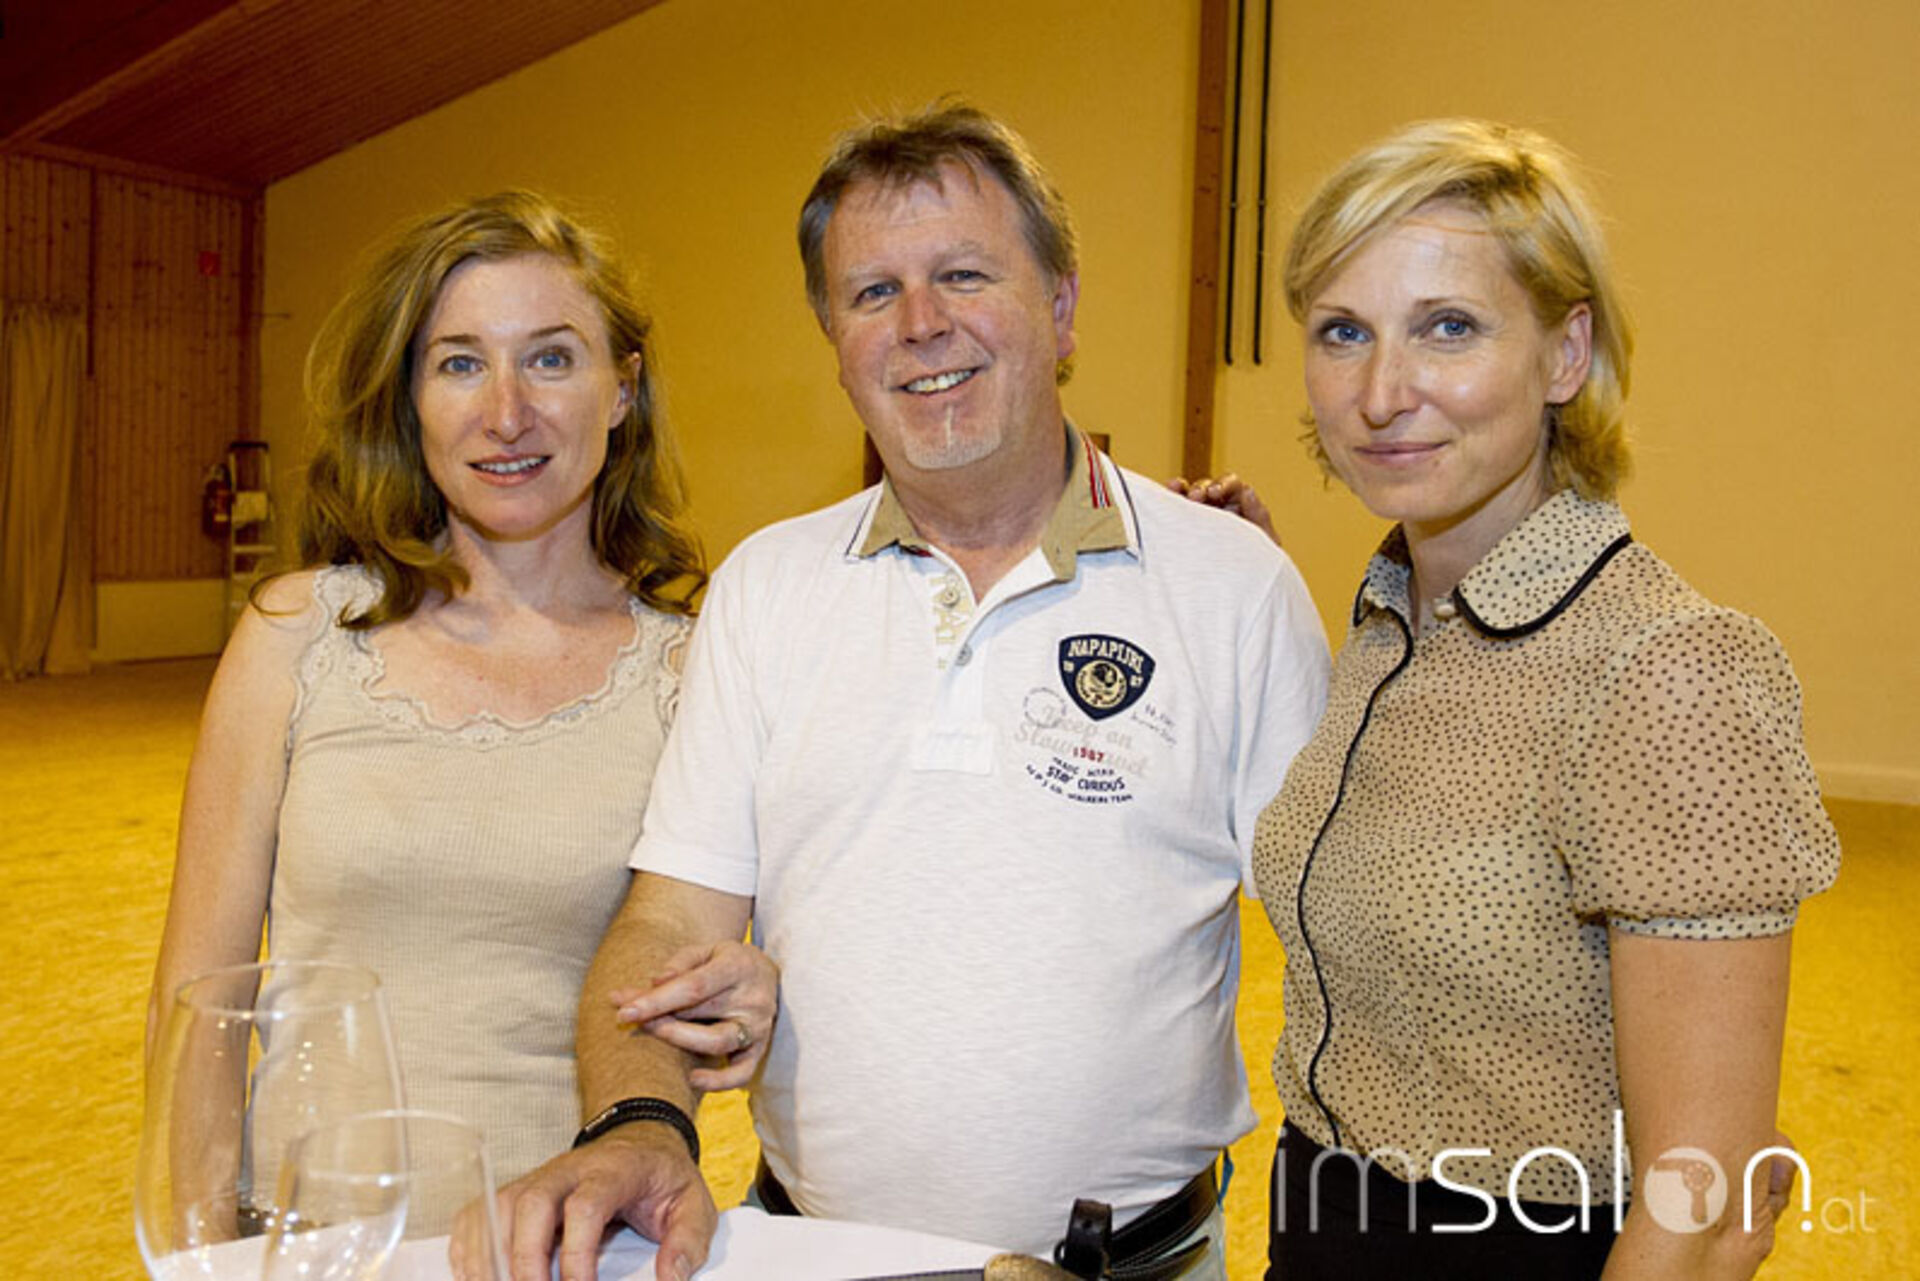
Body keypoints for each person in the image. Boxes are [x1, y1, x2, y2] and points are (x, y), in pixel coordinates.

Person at [490, 103, 1330, 1281]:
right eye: (873, 292)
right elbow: (671, 920)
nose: (922, 323)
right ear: (834, 337)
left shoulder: (1233, 586)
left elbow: (1354, 944)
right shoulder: (768, 588)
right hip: (812, 1258)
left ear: (1063, 307)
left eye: (964, 275)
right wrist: (639, 1123)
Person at [1245, 119, 1840, 1279]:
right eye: (1343, 332)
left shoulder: (1667, 669)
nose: (1381, 393)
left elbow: (1708, 1204)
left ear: (1565, 354)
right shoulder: (1391, 625)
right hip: (1319, 1227)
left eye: (1449, 327)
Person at [145, 191, 778, 1190]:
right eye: (459, 363)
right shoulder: (298, 634)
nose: (506, 413)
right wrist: (201, 1250)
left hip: (571, 1241)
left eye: (551, 358)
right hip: (321, 1241)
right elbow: (198, 1004)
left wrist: (750, 993)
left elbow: (722, 969)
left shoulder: (694, 673)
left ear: (621, 389)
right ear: (409, 398)